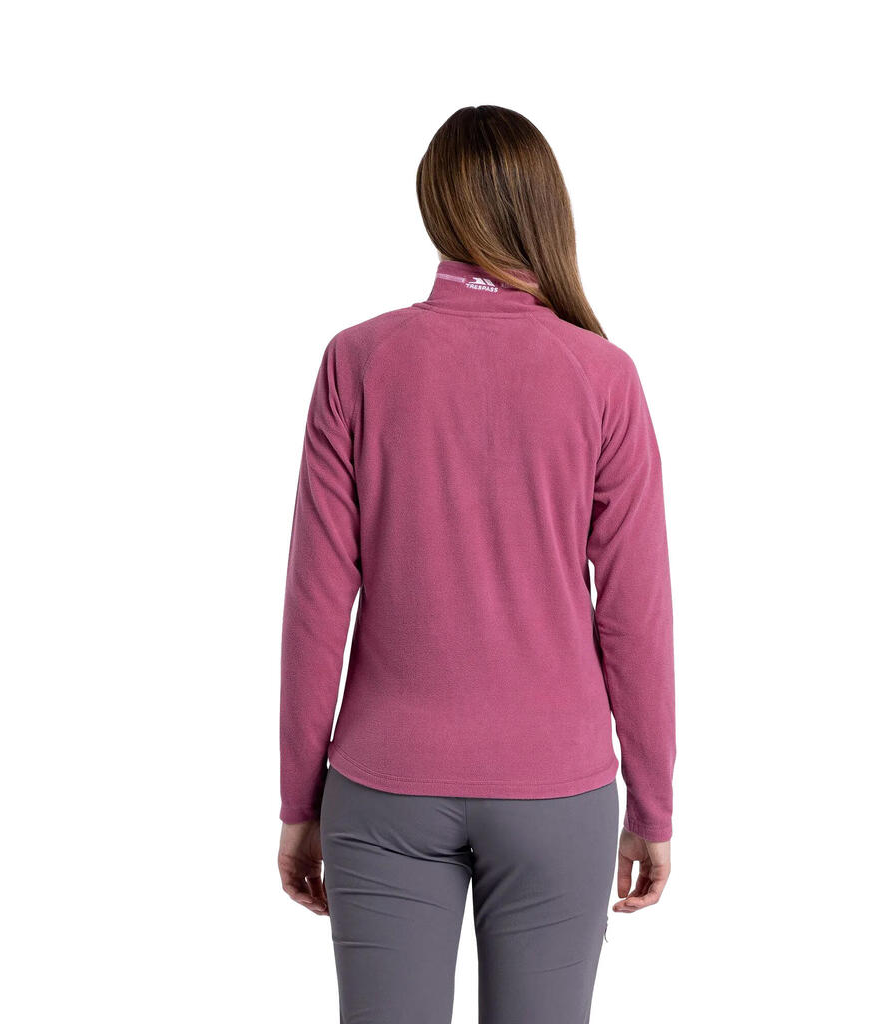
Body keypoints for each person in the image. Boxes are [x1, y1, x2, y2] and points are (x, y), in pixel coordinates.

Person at [277, 104, 676, 1023]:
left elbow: (315, 605)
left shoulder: (358, 361)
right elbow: (635, 613)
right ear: (545, 210)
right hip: (558, 791)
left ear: (436, 207)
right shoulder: (603, 375)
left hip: (385, 784)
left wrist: (299, 800)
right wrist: (652, 806)